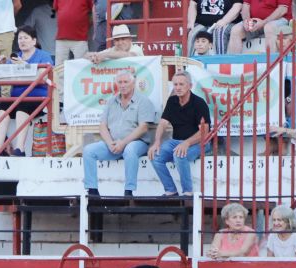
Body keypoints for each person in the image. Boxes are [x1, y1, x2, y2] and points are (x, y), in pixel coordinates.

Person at [82, 69, 157, 197]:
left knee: (130, 150)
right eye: (120, 82)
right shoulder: (111, 101)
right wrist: (110, 143)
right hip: (114, 143)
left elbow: (143, 128)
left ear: (133, 83)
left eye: (126, 82)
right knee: (88, 150)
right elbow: (102, 126)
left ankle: (129, 191)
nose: (122, 85)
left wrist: (123, 143)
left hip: (137, 143)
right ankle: (92, 191)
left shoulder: (143, 101)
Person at [0, 25, 54, 158]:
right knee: (3, 108)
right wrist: (3, 66)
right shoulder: (14, 57)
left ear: (34, 41)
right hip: (17, 96)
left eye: (25, 38)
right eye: (20, 38)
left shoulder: (44, 55)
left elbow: (43, 77)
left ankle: (20, 149)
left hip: (37, 97)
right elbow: (4, 78)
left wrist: (23, 65)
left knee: (22, 107)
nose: (22, 41)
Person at [149, 71, 210, 196]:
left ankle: (188, 192)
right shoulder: (172, 101)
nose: (178, 87)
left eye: (181, 84)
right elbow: (163, 123)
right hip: (176, 141)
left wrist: (187, 143)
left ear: (190, 86)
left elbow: (204, 131)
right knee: (155, 156)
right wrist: (157, 142)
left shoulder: (199, 103)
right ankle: (171, 190)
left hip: (199, 142)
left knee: (179, 154)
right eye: (175, 84)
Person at [54, 0, 93, 64]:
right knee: (59, 67)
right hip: (62, 38)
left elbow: (94, 10)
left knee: (82, 66)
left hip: (80, 38)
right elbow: (55, 9)